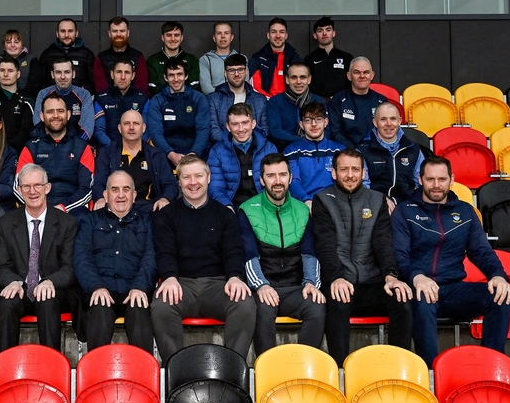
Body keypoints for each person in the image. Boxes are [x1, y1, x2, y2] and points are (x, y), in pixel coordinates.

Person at [391, 156, 510, 366]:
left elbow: (482, 251)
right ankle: (430, 372)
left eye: (442, 179)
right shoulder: (405, 210)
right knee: (423, 300)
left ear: (452, 179)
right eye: (430, 179)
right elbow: (399, 254)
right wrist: (416, 277)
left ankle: (492, 365)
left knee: (500, 296)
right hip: (419, 288)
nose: (436, 185)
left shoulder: (465, 211)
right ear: (420, 179)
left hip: (453, 289)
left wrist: (498, 276)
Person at [312, 148, 413, 366]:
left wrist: (390, 276)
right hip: (341, 281)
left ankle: (400, 367)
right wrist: (336, 277)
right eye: (344, 169)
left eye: (355, 169)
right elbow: (325, 245)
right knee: (338, 300)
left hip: (372, 282)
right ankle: (340, 370)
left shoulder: (377, 201)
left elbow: (383, 243)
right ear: (334, 173)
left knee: (401, 298)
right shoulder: (322, 199)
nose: (350, 175)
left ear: (364, 172)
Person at [151, 155, 255, 365]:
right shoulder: (166, 215)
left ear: (208, 177)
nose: (193, 182)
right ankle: (175, 369)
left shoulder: (225, 216)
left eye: (198, 175)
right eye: (186, 177)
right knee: (161, 306)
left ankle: (232, 369)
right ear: (179, 181)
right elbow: (165, 252)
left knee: (244, 303)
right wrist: (169, 277)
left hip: (218, 285)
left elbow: (233, 251)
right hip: (181, 285)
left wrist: (235, 277)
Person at [239, 153, 325, 356]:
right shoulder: (248, 210)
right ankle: (266, 371)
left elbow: (310, 253)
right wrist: (261, 285)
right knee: (262, 310)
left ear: (290, 177)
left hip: (296, 287)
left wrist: (311, 283)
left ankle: (306, 368)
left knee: (316, 306)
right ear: (261, 180)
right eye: (271, 176)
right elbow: (249, 255)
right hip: (265, 286)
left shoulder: (302, 210)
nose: (277, 181)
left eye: (282, 175)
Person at [0, 163, 79, 351]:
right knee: (6, 302)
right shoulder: (5, 223)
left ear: (47, 188)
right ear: (19, 190)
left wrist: (50, 281)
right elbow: (2, 266)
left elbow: (69, 267)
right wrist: (13, 282)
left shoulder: (67, 223)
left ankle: (52, 368)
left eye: (38, 186)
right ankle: (5, 366)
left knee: (46, 300)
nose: (32, 191)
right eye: (26, 186)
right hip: (20, 288)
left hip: (54, 290)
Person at [74, 171, 156, 353]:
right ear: (105, 195)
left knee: (139, 309)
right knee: (99, 309)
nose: (120, 195)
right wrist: (96, 286)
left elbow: (151, 257)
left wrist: (140, 287)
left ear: (134, 195)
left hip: (134, 289)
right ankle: (97, 377)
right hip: (101, 289)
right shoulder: (90, 221)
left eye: (126, 189)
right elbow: (82, 257)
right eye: (115, 189)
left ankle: (143, 378)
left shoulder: (147, 222)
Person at [17, 92, 94, 218]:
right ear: (42, 116)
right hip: (37, 205)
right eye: (50, 112)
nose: (56, 116)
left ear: (68, 115)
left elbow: (86, 190)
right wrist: (40, 207)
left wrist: (63, 207)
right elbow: (18, 186)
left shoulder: (82, 147)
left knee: (83, 218)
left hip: (71, 208)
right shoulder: (31, 147)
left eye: (60, 111)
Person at [93, 110, 177, 214]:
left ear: (144, 128)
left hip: (148, 211)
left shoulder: (156, 155)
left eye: (136, 123)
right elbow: (98, 183)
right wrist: (100, 198)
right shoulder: (107, 153)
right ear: (120, 128)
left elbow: (170, 184)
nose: (131, 127)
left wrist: (165, 199)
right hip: (115, 210)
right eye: (126, 123)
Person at [208, 103, 277, 211]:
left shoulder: (269, 148)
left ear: (253, 123)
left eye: (245, 123)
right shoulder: (217, 151)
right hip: (232, 206)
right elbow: (216, 187)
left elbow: (275, 183)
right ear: (228, 127)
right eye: (235, 124)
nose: (241, 129)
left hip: (263, 206)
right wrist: (226, 206)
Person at [357, 102, 423, 211]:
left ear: (399, 121)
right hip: (374, 207)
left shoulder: (413, 150)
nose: (389, 123)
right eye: (383, 119)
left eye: (393, 118)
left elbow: (422, 184)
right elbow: (362, 187)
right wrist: (381, 201)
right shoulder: (362, 151)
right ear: (375, 122)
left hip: (408, 207)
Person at [146, 58, 210, 166]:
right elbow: (155, 132)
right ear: (165, 78)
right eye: (171, 75)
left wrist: (194, 153)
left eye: (179, 74)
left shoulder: (199, 98)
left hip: (196, 151)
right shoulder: (157, 100)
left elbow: (203, 129)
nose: (176, 79)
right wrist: (170, 154)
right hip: (166, 152)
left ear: (186, 76)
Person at [283, 102, 345, 209]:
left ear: (326, 122)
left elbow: (344, 179)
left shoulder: (340, 150)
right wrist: (306, 200)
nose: (314, 124)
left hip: (335, 204)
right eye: (308, 120)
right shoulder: (291, 151)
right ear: (301, 124)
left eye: (318, 119)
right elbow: (292, 181)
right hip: (303, 205)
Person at [33, 56, 98, 143]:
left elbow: (87, 128)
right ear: (52, 74)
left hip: (77, 146)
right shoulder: (43, 94)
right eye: (58, 72)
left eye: (67, 72)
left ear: (73, 74)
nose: (62, 77)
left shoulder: (84, 94)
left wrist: (75, 146)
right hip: (48, 145)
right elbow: (38, 125)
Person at [207, 53, 270, 143]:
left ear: (246, 71)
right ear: (225, 73)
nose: (236, 74)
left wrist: (249, 145)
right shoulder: (213, 99)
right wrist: (234, 145)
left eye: (240, 69)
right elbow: (213, 130)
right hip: (223, 148)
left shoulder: (260, 100)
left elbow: (264, 130)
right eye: (231, 70)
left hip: (253, 148)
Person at [328, 56, 388, 148]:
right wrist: (354, 151)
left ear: (372, 75)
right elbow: (334, 132)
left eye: (366, 72)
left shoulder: (382, 102)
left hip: (375, 151)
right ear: (349, 76)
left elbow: (386, 130)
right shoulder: (338, 100)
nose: (362, 76)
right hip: (346, 152)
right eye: (357, 72)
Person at [0, 56, 35, 152]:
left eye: (10, 71)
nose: (5, 74)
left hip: (18, 151)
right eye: (2, 70)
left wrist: (7, 150)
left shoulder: (27, 100)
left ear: (18, 74)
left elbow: (26, 131)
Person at [266, 62, 326, 151]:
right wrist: (304, 141)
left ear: (309, 79)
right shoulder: (275, 101)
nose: (298, 82)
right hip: (283, 149)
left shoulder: (319, 100)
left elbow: (326, 129)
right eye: (294, 77)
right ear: (287, 79)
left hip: (316, 147)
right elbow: (275, 131)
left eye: (303, 77)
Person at [93, 56, 149, 145]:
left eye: (127, 72)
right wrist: (113, 149)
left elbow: (145, 130)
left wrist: (135, 149)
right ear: (112, 74)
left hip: (137, 151)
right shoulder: (101, 98)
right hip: (109, 150)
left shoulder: (143, 98)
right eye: (119, 72)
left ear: (133, 76)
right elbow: (99, 131)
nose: (123, 77)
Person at [37, 18, 96, 94]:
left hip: (79, 99)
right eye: (63, 31)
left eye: (70, 31)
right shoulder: (47, 54)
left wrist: (81, 90)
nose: (66, 35)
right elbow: (39, 81)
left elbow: (93, 81)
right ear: (57, 34)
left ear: (76, 33)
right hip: (52, 100)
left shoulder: (87, 54)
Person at [92, 16, 149, 95]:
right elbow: (101, 88)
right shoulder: (101, 58)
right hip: (108, 103)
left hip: (134, 102)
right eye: (115, 31)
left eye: (122, 31)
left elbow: (141, 86)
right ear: (109, 34)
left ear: (128, 33)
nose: (118, 34)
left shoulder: (138, 56)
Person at [247, 17, 302, 98]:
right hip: (265, 104)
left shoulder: (295, 58)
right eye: (274, 32)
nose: (278, 36)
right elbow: (255, 87)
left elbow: (300, 84)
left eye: (282, 32)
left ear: (286, 35)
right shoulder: (257, 58)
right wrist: (272, 102)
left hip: (290, 103)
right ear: (268, 35)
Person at [302, 16, 353, 99]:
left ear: (333, 33)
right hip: (317, 103)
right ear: (315, 35)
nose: (324, 33)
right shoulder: (309, 59)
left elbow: (352, 82)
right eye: (320, 30)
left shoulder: (347, 57)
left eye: (328, 30)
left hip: (342, 103)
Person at [146, 21, 200, 95]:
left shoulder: (192, 60)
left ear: (181, 38)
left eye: (176, 35)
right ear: (162, 37)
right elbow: (153, 88)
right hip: (161, 104)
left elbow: (194, 87)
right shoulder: (152, 60)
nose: (173, 39)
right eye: (169, 35)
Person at [0, 29, 41, 98]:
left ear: (22, 45)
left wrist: (19, 98)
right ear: (4, 46)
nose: (12, 45)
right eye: (8, 42)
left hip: (25, 99)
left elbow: (35, 85)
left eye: (16, 42)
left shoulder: (31, 59)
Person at [199, 22, 245, 95]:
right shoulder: (205, 59)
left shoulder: (242, 58)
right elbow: (206, 87)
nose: (223, 36)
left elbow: (246, 83)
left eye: (226, 33)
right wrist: (220, 98)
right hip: (215, 101)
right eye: (219, 33)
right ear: (214, 38)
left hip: (238, 100)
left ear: (232, 37)